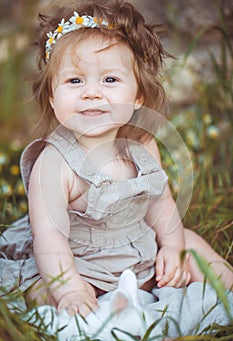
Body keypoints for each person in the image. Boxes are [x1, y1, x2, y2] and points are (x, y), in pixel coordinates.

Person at [0, 0, 232, 318]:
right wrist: (70, 289)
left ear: (137, 96)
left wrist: (173, 247)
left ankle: (228, 294)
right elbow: (49, 237)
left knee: (191, 243)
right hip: (80, 264)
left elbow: (160, 201)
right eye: (75, 81)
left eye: (110, 80)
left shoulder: (142, 142)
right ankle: (91, 322)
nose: (91, 92)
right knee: (46, 292)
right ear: (53, 96)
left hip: (141, 255)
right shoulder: (54, 163)